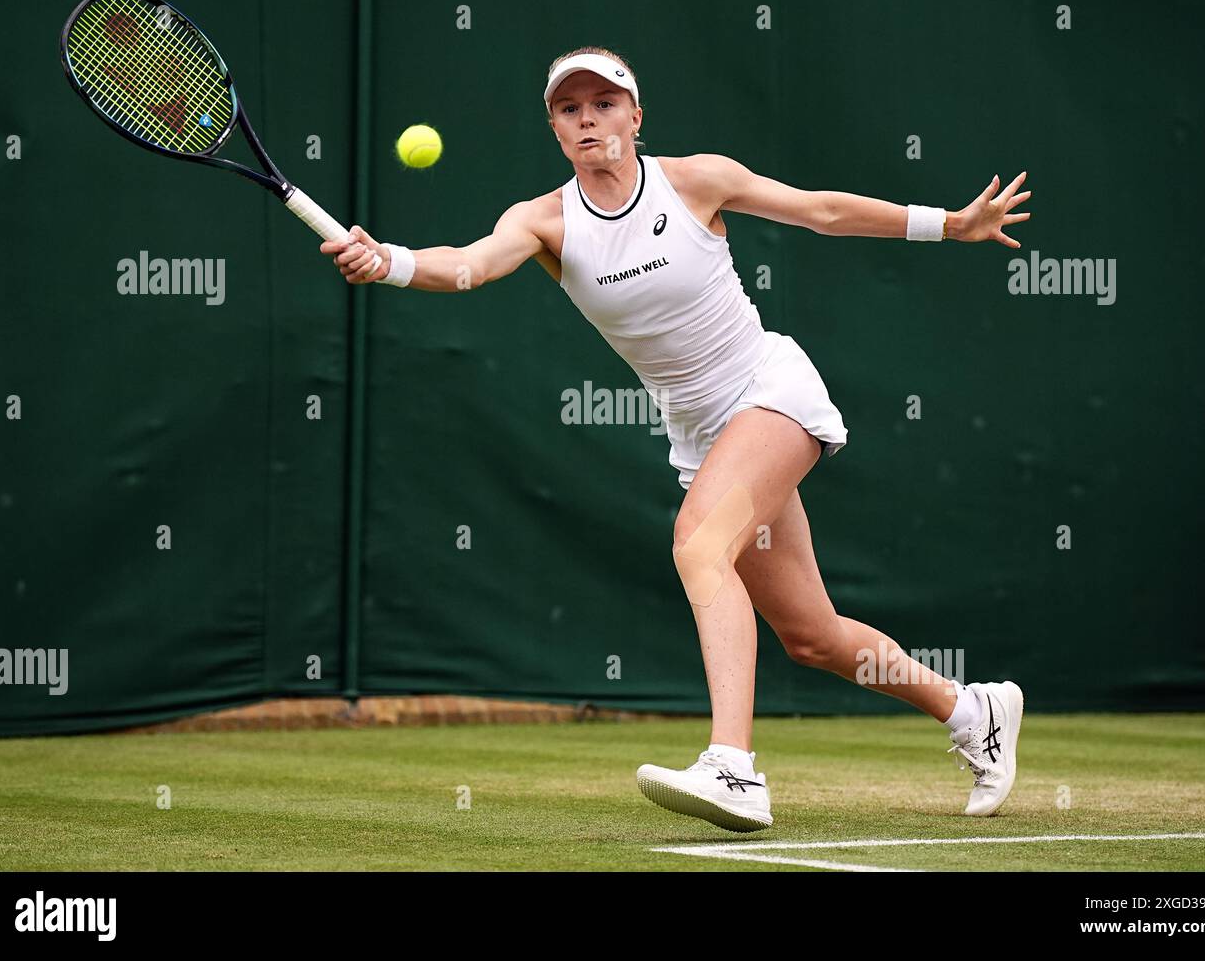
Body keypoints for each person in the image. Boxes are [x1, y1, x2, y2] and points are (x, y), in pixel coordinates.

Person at [322, 47, 1030, 832]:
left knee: (698, 544)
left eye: (603, 103)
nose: (587, 118)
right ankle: (973, 712)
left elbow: (821, 211)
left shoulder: (697, 179)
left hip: (769, 391)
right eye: (569, 108)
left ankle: (733, 768)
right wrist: (387, 261)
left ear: (635, 115)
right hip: (702, 433)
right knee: (813, 636)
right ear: (556, 129)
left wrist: (950, 225)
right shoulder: (543, 221)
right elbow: (469, 267)